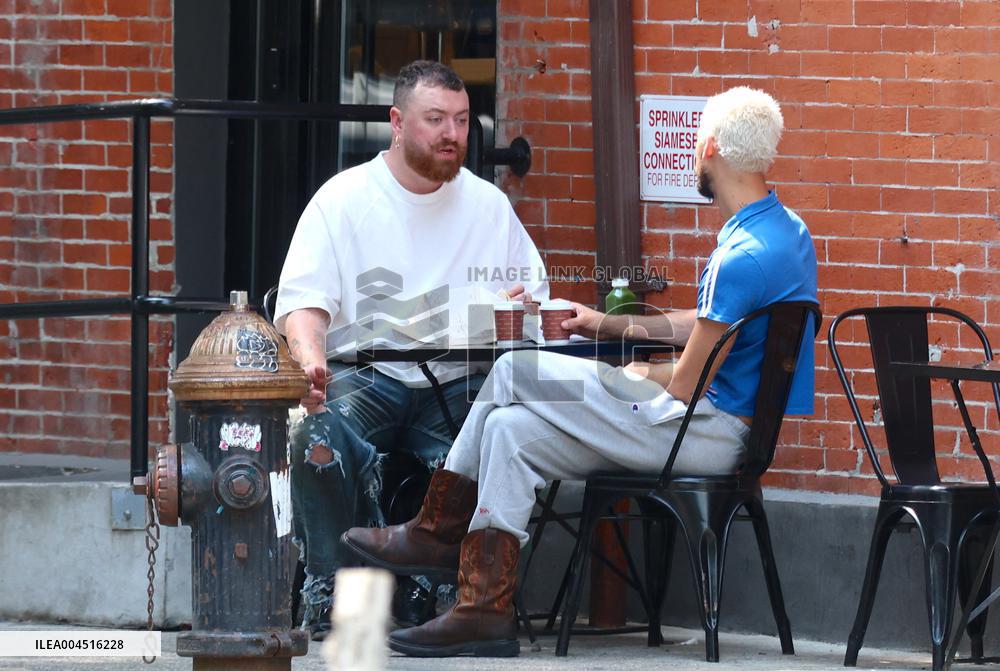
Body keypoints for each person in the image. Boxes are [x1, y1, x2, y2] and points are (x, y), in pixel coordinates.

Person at [342, 86, 819, 657]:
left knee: (513, 370)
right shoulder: (786, 233)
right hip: (725, 430)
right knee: (509, 430)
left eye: (697, 141)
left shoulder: (737, 258)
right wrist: (605, 325)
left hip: (701, 432)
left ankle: (436, 530)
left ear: (711, 146)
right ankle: (483, 611)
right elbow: (709, 324)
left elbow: (686, 382)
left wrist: (632, 374)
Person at [274, 60, 548, 640]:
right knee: (314, 438)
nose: (452, 134)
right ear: (397, 123)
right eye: (435, 120)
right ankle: (332, 591)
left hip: (457, 378)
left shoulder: (488, 206)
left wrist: (519, 308)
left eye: (462, 120)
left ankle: (447, 592)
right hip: (363, 373)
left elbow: (535, 308)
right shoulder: (343, 199)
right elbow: (304, 304)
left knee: (499, 432)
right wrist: (310, 359)